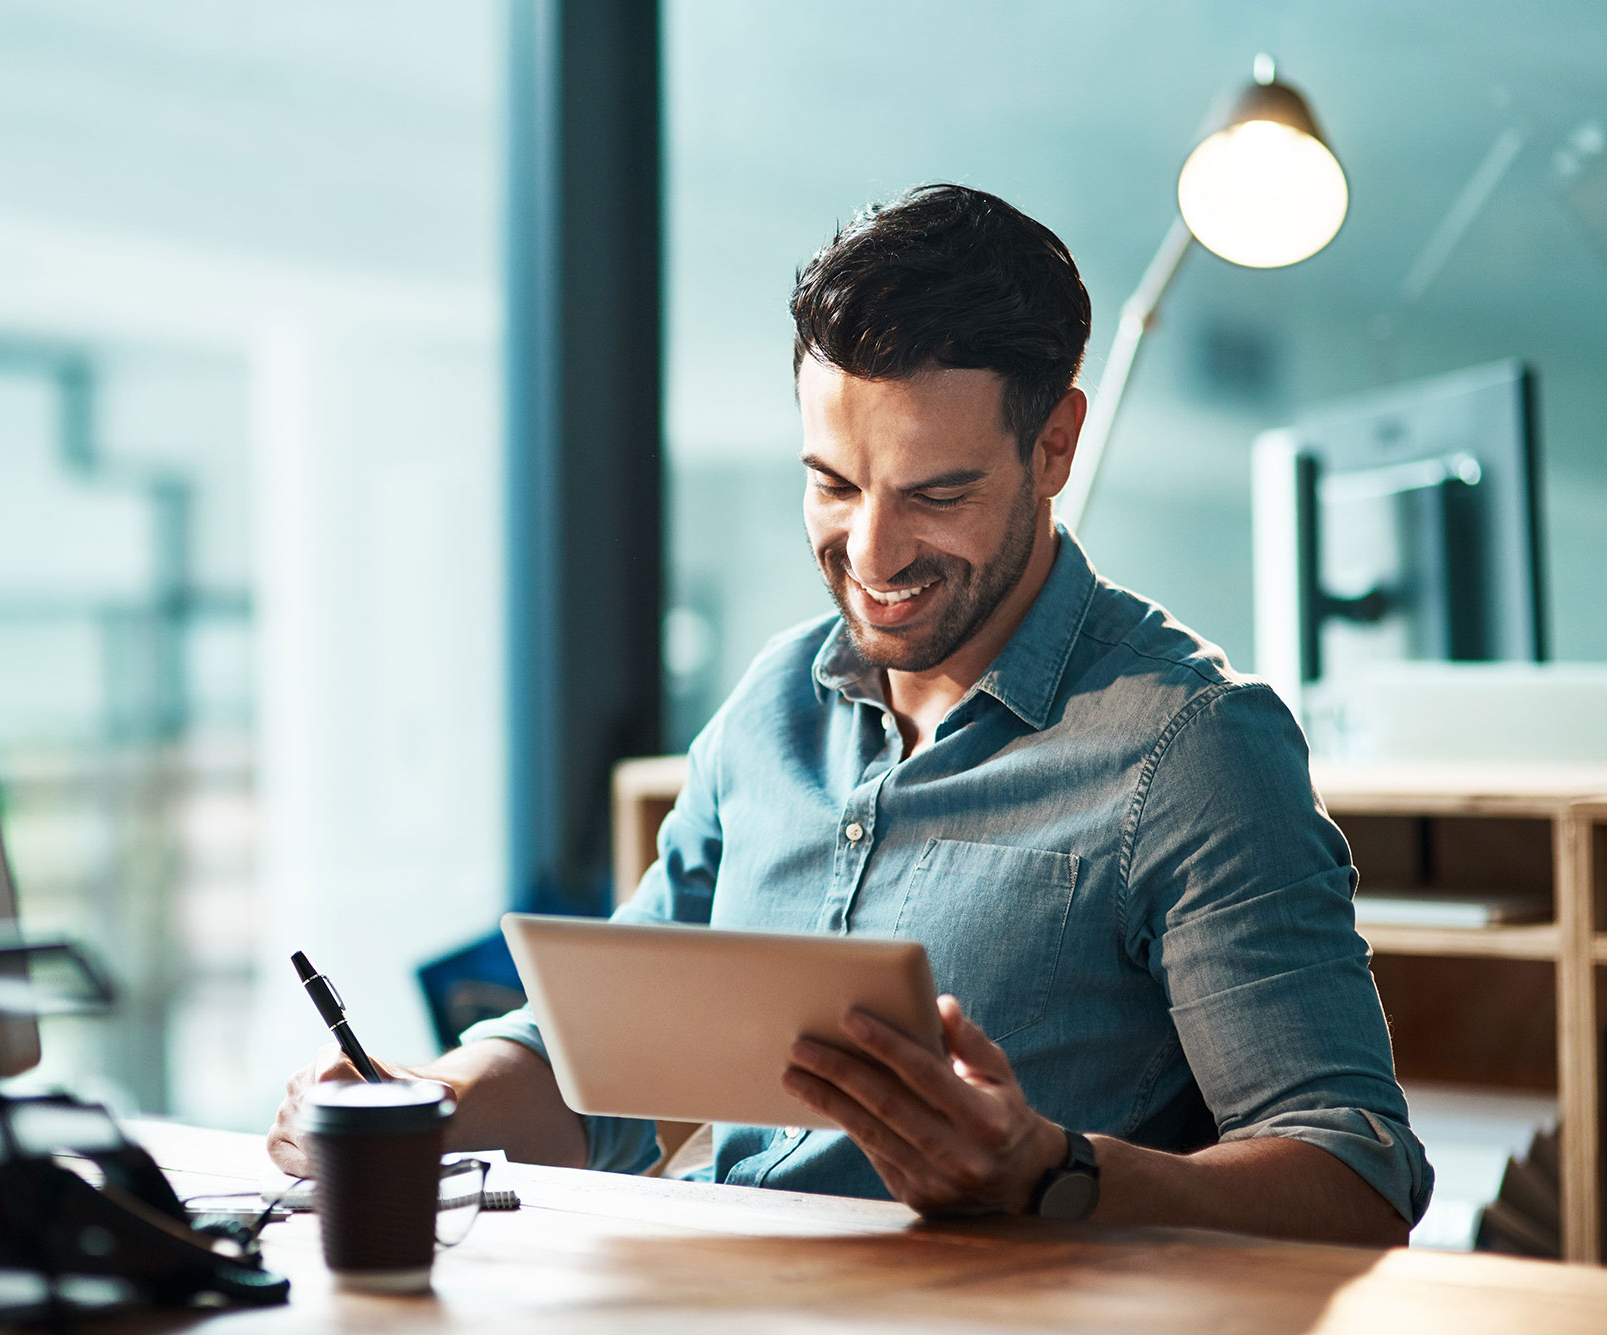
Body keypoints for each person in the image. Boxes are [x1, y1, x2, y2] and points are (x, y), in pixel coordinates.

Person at [268, 183, 1431, 1245]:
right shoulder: (772, 704)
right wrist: (427, 1104)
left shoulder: (1190, 747)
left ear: (1054, 447)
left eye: (935, 494)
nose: (869, 555)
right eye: (832, 485)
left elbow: (1357, 1183)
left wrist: (1049, 1174)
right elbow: (596, 1063)